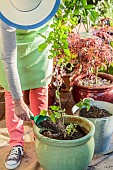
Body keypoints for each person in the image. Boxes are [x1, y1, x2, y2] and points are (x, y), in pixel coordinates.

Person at [0, 0, 60, 169]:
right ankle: (16, 144)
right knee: (12, 96)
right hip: (13, 47)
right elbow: (9, 60)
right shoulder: (5, 14)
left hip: (40, 43)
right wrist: (20, 102)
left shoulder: (48, 8)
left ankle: (41, 138)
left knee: (40, 90)